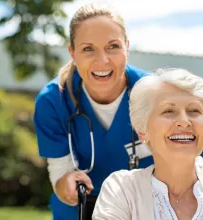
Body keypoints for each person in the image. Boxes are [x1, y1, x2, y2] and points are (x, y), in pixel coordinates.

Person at [34, 2, 153, 220]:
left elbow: (189, 165)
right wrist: (66, 186)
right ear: (72, 52)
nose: (102, 60)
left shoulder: (156, 96)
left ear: (127, 46)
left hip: (145, 207)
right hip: (80, 209)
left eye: (113, 46)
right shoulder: (53, 101)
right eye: (88, 48)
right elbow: (60, 173)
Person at [92, 68, 203, 220]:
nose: (184, 121)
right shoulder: (122, 189)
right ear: (142, 131)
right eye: (169, 111)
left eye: (194, 110)